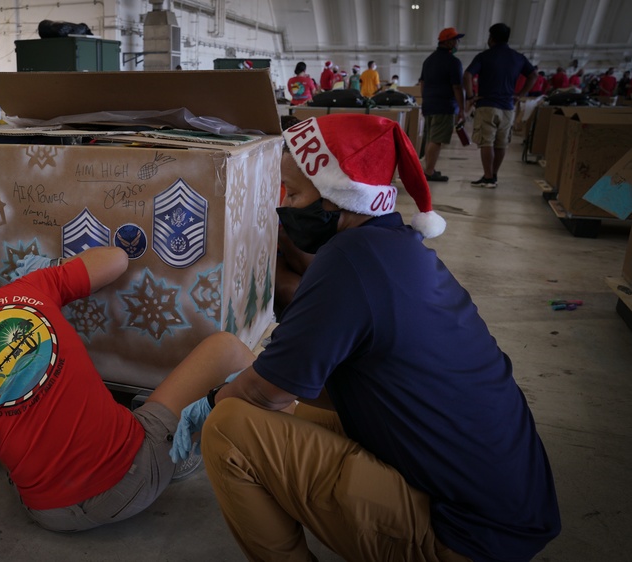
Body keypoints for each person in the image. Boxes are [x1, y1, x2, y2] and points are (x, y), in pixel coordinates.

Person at [174, 113, 562, 562]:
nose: (285, 205)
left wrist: (215, 399)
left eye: (296, 193)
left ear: (339, 198)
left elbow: (264, 393)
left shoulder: (347, 263)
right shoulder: (395, 247)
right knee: (297, 410)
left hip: (463, 538)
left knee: (230, 429)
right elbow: (321, 384)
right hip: (510, 514)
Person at [0, 247, 256, 540]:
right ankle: (248, 444)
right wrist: (52, 268)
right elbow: (117, 259)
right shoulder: (29, 288)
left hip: (51, 514)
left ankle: (167, 450)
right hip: (132, 477)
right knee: (227, 348)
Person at [463, 23, 536, 188]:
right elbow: (533, 75)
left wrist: (471, 96)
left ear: (491, 38)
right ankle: (494, 175)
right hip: (508, 107)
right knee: (501, 143)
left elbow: (467, 74)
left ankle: (487, 177)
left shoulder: (484, 56)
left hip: (487, 105)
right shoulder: (518, 57)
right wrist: (520, 94)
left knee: (486, 141)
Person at [419, 27, 465, 183]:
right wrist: (462, 109)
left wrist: (425, 100)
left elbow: (422, 83)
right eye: (457, 40)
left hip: (429, 105)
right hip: (444, 105)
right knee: (436, 139)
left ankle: (428, 169)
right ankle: (429, 172)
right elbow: (457, 87)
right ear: (449, 42)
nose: (458, 43)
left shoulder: (429, 60)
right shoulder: (453, 62)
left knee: (431, 138)